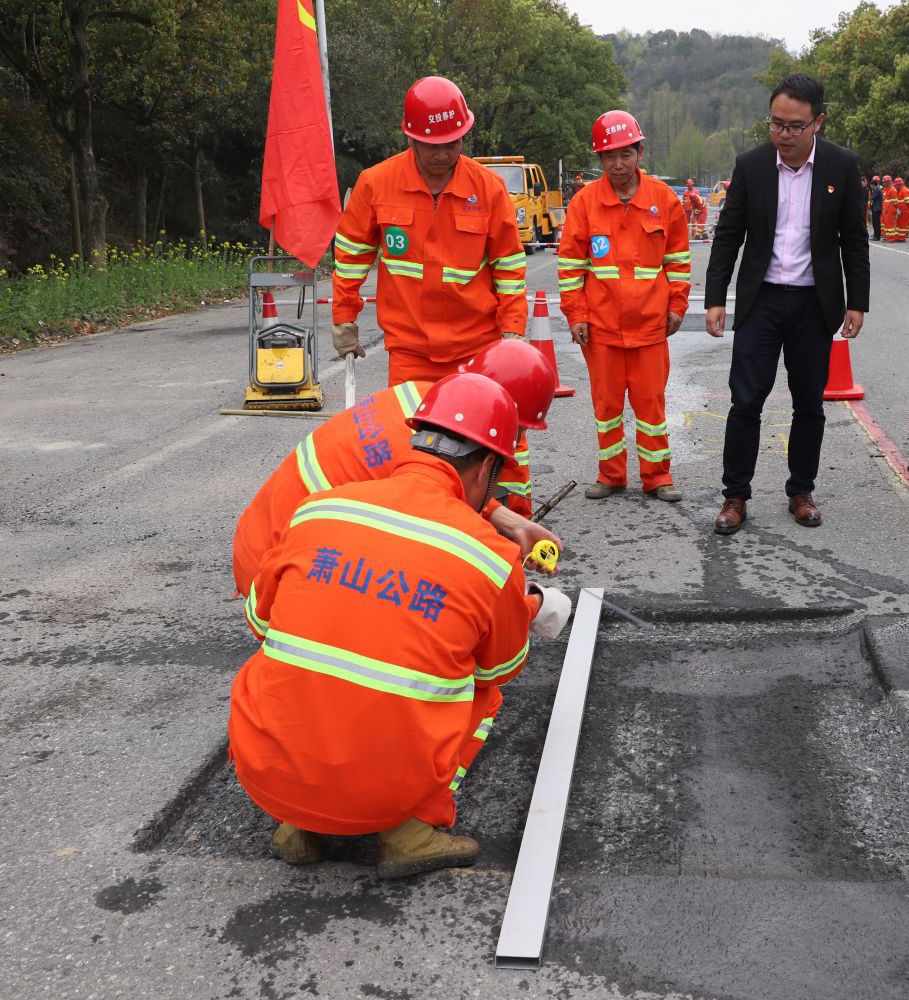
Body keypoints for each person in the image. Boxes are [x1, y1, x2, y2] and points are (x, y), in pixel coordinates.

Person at [229, 373, 573, 877]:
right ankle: (410, 830)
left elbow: (261, 621)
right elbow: (499, 667)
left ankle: (297, 825)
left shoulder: (319, 509)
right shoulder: (488, 556)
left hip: (265, 779)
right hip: (380, 796)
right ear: (485, 468)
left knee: (294, 658)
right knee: (483, 693)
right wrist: (528, 607)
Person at [329, 76, 534, 514]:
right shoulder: (375, 184)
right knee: (414, 447)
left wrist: (513, 332)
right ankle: (423, 525)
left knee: (497, 441)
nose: (443, 154)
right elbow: (350, 256)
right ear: (411, 138)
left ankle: (514, 525)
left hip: (478, 347)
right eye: (433, 145)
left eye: (453, 143)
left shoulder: (488, 188)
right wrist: (344, 318)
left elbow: (509, 267)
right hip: (410, 348)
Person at [231, 339, 562, 597]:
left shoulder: (424, 405)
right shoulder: (420, 450)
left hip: (267, 545)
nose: (514, 441)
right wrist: (525, 601)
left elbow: (444, 485)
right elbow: (457, 552)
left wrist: (511, 522)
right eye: (517, 429)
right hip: (279, 578)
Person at [705, 73, 870, 534]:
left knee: (809, 404)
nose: (784, 134)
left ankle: (801, 490)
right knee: (745, 402)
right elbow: (728, 236)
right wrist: (716, 298)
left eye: (795, 126)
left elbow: (854, 239)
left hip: (814, 304)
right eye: (776, 124)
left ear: (818, 121)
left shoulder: (841, 166)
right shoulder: (752, 165)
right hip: (761, 302)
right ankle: (735, 495)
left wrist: (857, 302)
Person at [558, 110, 690, 504]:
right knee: (607, 407)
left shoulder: (664, 200)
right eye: (610, 156)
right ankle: (611, 475)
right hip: (601, 330)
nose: (618, 164)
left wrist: (677, 305)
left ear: (639, 153)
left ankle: (658, 477)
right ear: (600, 158)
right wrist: (576, 315)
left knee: (651, 406)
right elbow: (570, 266)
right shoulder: (585, 203)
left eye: (625, 155)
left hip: (650, 327)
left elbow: (678, 260)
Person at [879, 175, 897, 242]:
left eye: (885, 182)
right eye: (883, 182)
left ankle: (891, 238)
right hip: (886, 210)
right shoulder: (885, 189)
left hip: (890, 211)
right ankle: (887, 236)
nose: (884, 183)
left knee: (890, 225)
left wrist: (893, 210)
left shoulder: (892, 190)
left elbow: (895, 202)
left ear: (889, 182)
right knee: (886, 224)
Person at [868, 175, 884, 240]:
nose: (870, 187)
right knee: (874, 222)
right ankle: (876, 235)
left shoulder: (878, 190)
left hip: (877, 208)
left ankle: (877, 236)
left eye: (871, 185)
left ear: (873, 185)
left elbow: (872, 197)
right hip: (875, 208)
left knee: (876, 223)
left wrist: (868, 200)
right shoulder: (875, 190)